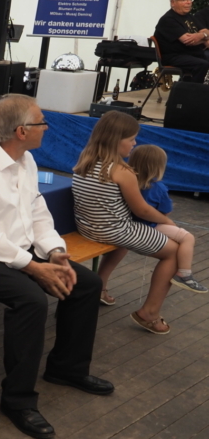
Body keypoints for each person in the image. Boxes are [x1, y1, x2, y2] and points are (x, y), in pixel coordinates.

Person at [0, 95, 112, 439]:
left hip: (12, 248)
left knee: (86, 284)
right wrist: (33, 268)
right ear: (21, 131)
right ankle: (17, 400)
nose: (47, 127)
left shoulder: (26, 160)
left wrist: (55, 252)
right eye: (41, 122)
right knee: (31, 301)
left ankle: (66, 369)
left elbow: (37, 212)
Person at [71, 111, 185, 334]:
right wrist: (169, 222)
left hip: (87, 227)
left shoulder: (85, 161)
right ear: (116, 140)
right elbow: (142, 210)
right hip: (113, 230)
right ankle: (149, 313)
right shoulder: (121, 171)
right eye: (131, 139)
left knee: (123, 243)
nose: (135, 143)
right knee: (175, 251)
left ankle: (99, 287)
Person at [129, 144, 207, 294]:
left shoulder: (129, 183)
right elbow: (166, 212)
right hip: (150, 225)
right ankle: (184, 274)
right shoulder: (158, 188)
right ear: (159, 166)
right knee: (188, 238)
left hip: (130, 224)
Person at [153, 0, 209, 82]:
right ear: (173, 2)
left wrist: (200, 35)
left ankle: (188, 87)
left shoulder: (190, 17)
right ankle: (192, 90)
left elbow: (206, 32)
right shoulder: (168, 19)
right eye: (184, 0)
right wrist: (204, 37)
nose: (189, 2)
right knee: (201, 64)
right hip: (174, 56)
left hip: (192, 54)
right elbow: (188, 41)